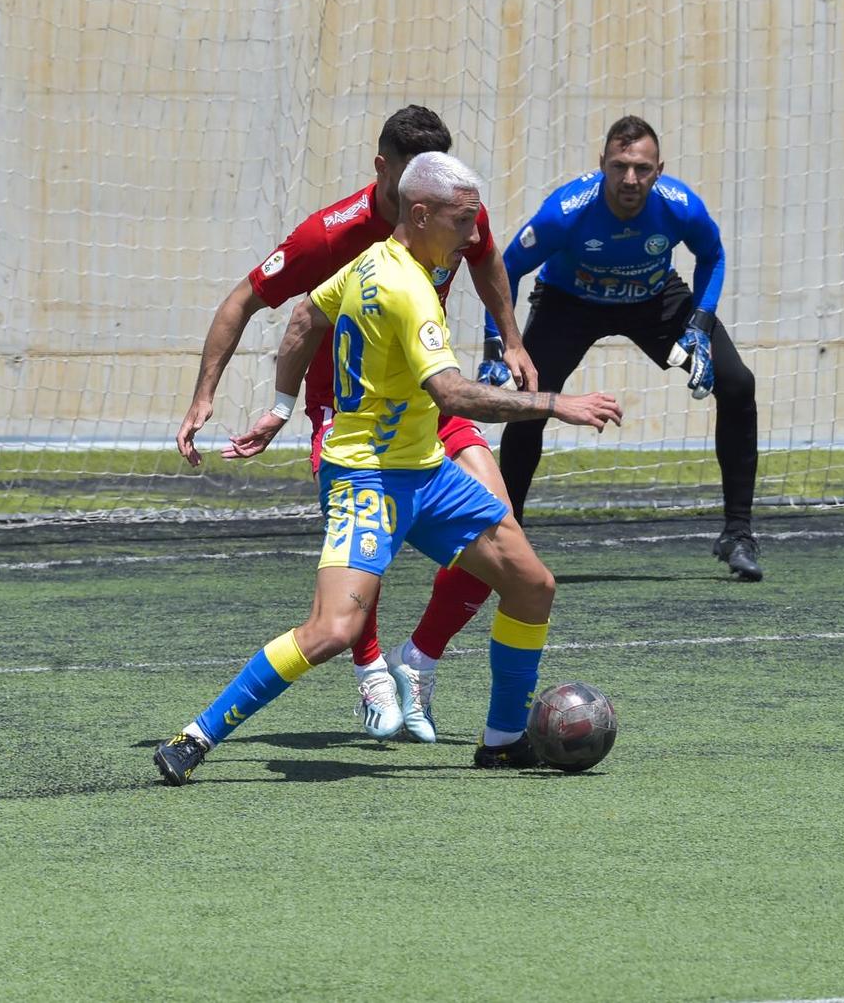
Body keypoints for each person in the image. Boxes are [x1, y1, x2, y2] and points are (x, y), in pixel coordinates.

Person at [153, 152, 623, 785]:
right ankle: (196, 736)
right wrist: (555, 403)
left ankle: (505, 740)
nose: (472, 236)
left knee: (531, 585)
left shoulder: (370, 264)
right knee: (333, 629)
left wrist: (281, 407)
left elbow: (304, 318)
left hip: (427, 472)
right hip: (367, 478)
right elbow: (453, 395)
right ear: (421, 213)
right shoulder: (410, 289)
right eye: (462, 222)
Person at [175, 106, 539, 743]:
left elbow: (486, 258)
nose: (463, 227)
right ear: (386, 173)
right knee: (354, 572)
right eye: (411, 174)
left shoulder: (454, 209)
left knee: (509, 541)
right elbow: (251, 303)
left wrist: (511, 338)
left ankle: (419, 660)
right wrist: (218, 398)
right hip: (349, 413)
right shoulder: (331, 235)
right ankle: (370, 669)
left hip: (429, 403)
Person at [485, 116, 764, 580]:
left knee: (738, 384)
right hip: (568, 303)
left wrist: (701, 321)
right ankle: (508, 536)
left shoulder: (681, 207)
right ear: (602, 166)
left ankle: (738, 533)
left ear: (658, 170)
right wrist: (502, 344)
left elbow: (712, 256)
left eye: (641, 168)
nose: (630, 179)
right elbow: (506, 268)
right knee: (529, 401)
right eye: (619, 167)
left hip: (653, 300)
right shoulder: (565, 212)